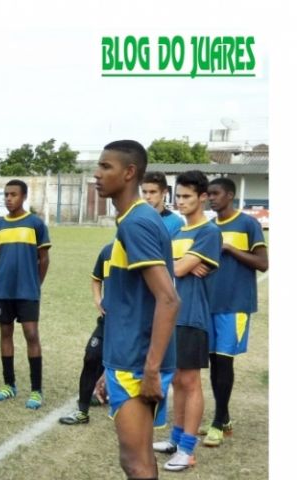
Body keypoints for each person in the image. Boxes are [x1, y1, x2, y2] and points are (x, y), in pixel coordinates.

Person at [94, 139, 179, 480]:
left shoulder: (136, 223)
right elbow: (131, 302)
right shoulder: (134, 218)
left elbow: (169, 299)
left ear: (129, 173)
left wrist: (151, 370)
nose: (97, 175)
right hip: (126, 358)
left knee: (134, 462)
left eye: (105, 167)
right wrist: (109, 365)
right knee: (139, 457)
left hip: (136, 363)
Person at [150, 170, 221, 471]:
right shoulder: (176, 232)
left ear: (203, 197)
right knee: (177, 380)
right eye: (178, 196)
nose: (180, 202)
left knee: (190, 382)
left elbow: (173, 270)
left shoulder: (209, 232)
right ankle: (176, 440)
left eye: (187, 197)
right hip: (170, 316)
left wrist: (179, 265)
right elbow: (167, 266)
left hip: (192, 316)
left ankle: (188, 449)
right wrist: (179, 264)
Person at [198, 177, 268, 447]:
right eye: (208, 194)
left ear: (229, 195)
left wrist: (230, 248)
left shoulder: (247, 224)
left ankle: (217, 423)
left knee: (225, 361)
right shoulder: (209, 227)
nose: (211, 198)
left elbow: (263, 263)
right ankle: (224, 419)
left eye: (215, 194)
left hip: (235, 305)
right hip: (209, 305)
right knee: (214, 362)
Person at [0, 179, 51, 410]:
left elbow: (43, 258)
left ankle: (36, 390)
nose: (8, 198)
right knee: (5, 333)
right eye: (5, 194)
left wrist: (36, 284)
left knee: (31, 334)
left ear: (24, 196)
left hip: (27, 290)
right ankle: (9, 384)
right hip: (2, 290)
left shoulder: (35, 224)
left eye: (13, 194)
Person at [58, 242, 112, 426]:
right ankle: (82, 411)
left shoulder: (142, 250)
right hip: (108, 320)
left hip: (131, 323)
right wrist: (98, 299)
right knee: (91, 356)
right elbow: (96, 278)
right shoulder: (108, 250)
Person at [141, 171, 184, 237]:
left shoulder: (176, 223)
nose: (147, 197)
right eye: (144, 192)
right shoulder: (134, 220)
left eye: (152, 192)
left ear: (164, 192)